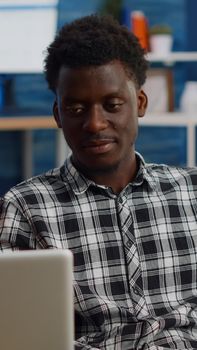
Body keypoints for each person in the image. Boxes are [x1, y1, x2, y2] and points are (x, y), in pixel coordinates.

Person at [0, 14, 197, 350]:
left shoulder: (190, 191)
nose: (94, 123)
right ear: (58, 115)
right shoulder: (25, 208)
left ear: (140, 104)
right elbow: (16, 331)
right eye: (76, 108)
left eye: (112, 105)